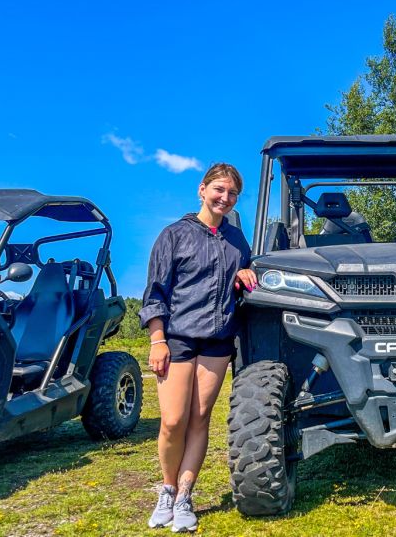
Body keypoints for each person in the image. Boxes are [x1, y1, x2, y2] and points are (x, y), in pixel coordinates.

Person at [139, 163, 257, 532]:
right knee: (174, 421)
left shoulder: (237, 241)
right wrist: (157, 340)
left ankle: (186, 496)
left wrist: (243, 273)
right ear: (202, 190)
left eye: (232, 193)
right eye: (219, 190)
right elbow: (155, 293)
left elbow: (247, 272)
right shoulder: (174, 235)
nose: (225, 198)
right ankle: (167, 490)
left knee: (201, 417)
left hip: (218, 340)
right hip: (177, 338)